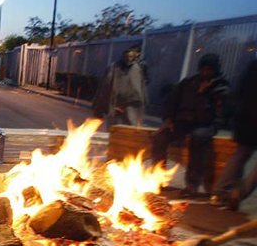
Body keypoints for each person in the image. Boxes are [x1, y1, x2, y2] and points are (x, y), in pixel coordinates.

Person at [151, 53, 229, 198]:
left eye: (209, 70)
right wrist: (168, 119)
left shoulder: (220, 88)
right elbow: (172, 102)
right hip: (183, 122)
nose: (205, 73)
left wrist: (202, 93)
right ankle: (157, 179)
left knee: (198, 138)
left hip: (205, 124)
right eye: (203, 69)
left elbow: (217, 115)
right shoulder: (188, 83)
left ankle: (192, 186)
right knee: (160, 137)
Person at [211, 59, 257, 210]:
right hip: (250, 117)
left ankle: (221, 191)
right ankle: (236, 193)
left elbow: (238, 92)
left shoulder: (252, 65)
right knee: (241, 155)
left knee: (240, 155)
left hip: (245, 117)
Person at [92, 46, 148, 126]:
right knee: (117, 130)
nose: (129, 58)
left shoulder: (138, 69)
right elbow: (104, 88)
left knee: (129, 130)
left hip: (132, 106)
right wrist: (98, 109)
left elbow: (142, 89)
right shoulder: (114, 68)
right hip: (116, 105)